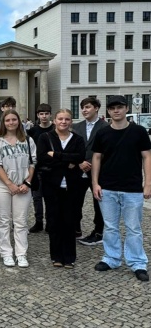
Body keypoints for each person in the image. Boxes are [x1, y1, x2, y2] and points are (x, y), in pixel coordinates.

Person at [92, 95, 151, 282]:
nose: (116, 111)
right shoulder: (102, 133)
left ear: (126, 109)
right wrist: (95, 183)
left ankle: (137, 263)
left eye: (119, 107)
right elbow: (96, 158)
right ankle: (112, 258)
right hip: (108, 187)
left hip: (132, 188)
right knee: (110, 227)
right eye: (112, 108)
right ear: (108, 111)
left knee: (133, 228)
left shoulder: (139, 131)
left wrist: (148, 183)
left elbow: (147, 157)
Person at [37, 109, 85, 269]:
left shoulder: (77, 139)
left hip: (72, 186)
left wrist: (56, 155)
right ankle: (56, 256)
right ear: (55, 120)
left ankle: (69, 257)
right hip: (52, 186)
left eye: (67, 119)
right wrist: (68, 161)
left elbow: (80, 157)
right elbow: (43, 158)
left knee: (70, 221)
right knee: (54, 221)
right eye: (60, 119)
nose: (63, 122)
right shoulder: (45, 137)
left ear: (71, 121)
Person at [0, 109, 36, 267]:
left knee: (21, 221)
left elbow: (33, 162)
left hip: (23, 185)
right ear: (3, 123)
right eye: (8, 120)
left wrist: (27, 182)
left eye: (14, 120)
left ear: (19, 121)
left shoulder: (28, 140)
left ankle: (21, 253)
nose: (11, 123)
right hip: (2, 185)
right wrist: (9, 184)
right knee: (3, 221)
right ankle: (6, 253)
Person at [72, 97, 108, 246]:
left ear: (96, 108)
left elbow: (108, 148)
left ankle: (99, 232)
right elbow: (72, 147)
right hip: (79, 170)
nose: (84, 110)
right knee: (75, 201)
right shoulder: (76, 127)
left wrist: (94, 163)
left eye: (87, 107)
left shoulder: (105, 127)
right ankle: (75, 230)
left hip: (99, 171)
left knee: (98, 202)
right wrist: (79, 162)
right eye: (83, 107)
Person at [27, 103, 55, 233]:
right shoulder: (33, 131)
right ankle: (38, 221)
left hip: (52, 168)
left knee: (50, 197)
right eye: (41, 114)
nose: (44, 116)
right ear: (38, 115)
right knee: (37, 197)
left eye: (46, 114)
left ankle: (50, 222)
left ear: (50, 114)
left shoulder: (55, 129)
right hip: (37, 168)